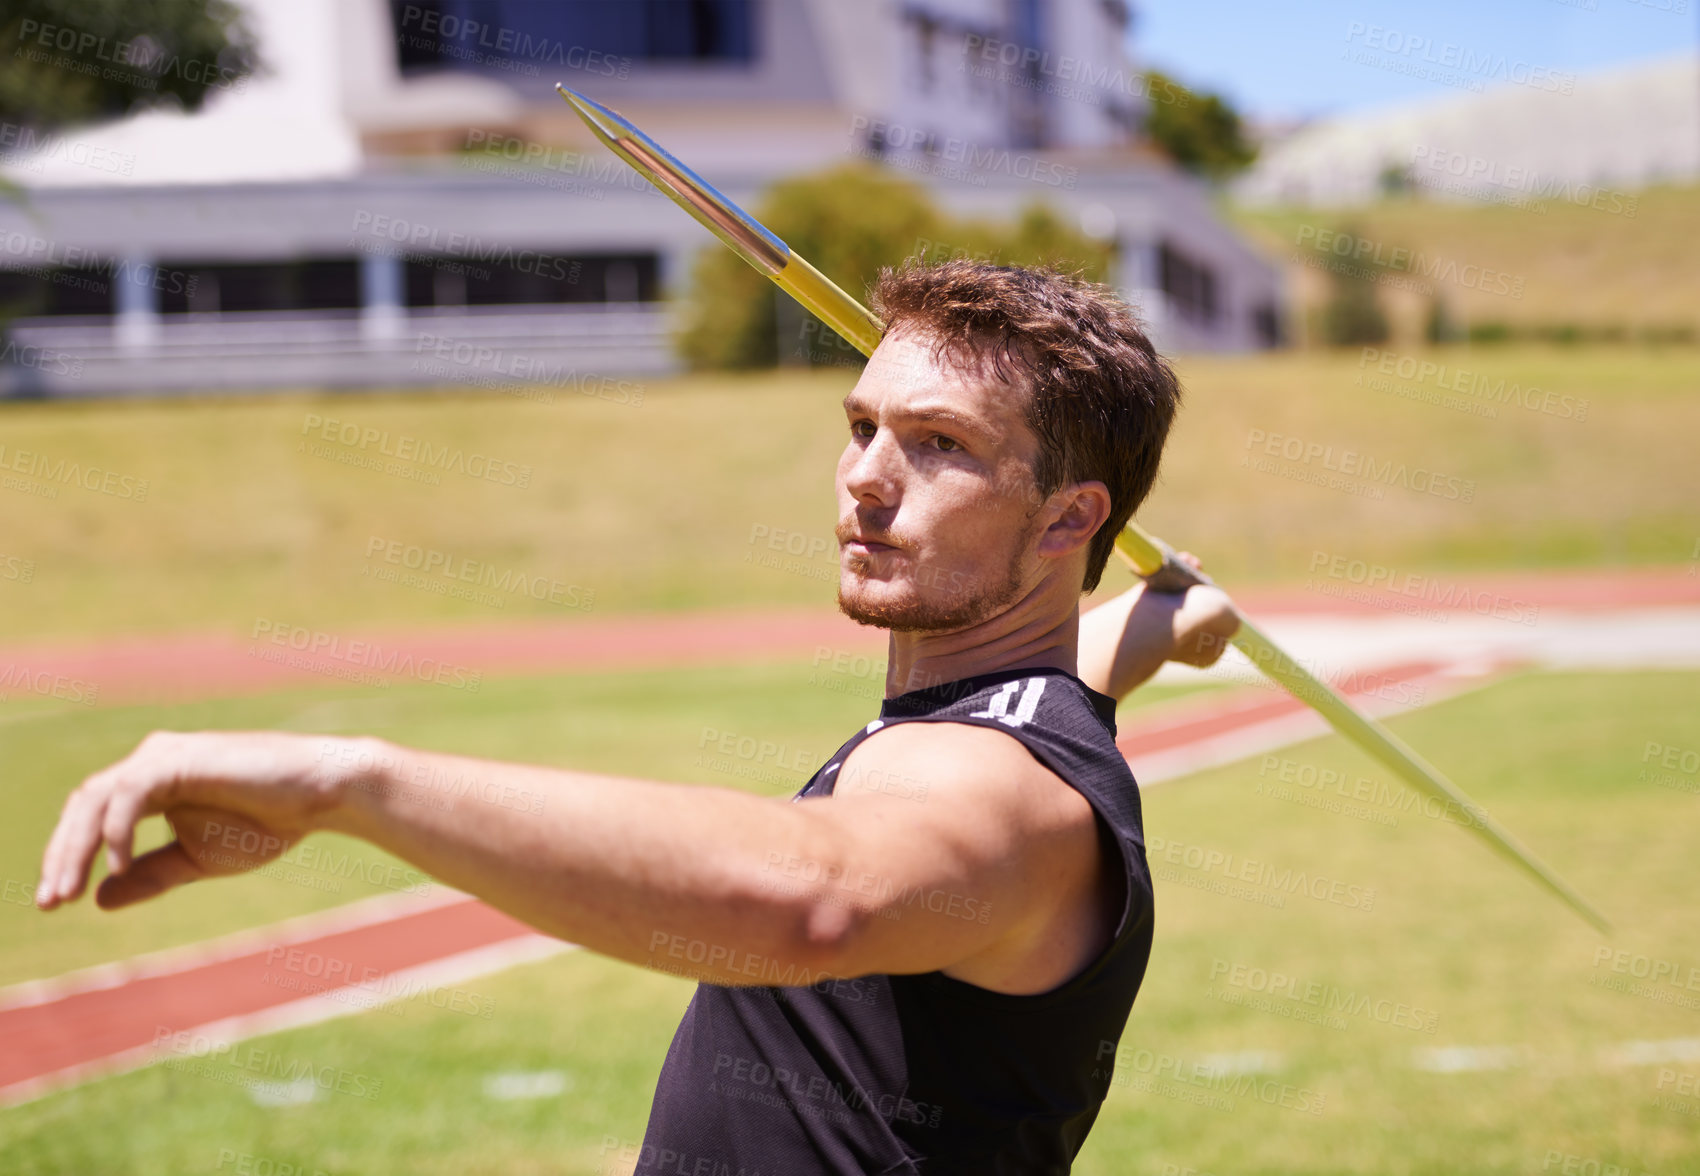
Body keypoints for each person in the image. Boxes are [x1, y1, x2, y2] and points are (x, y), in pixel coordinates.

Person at [36, 260, 1238, 1174]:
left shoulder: (1007, 793)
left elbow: (812, 899)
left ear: (1070, 519)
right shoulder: (1019, 705)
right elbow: (1045, 672)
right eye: (860, 425)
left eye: (938, 445)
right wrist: (1153, 627)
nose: (867, 476)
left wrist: (350, 785)